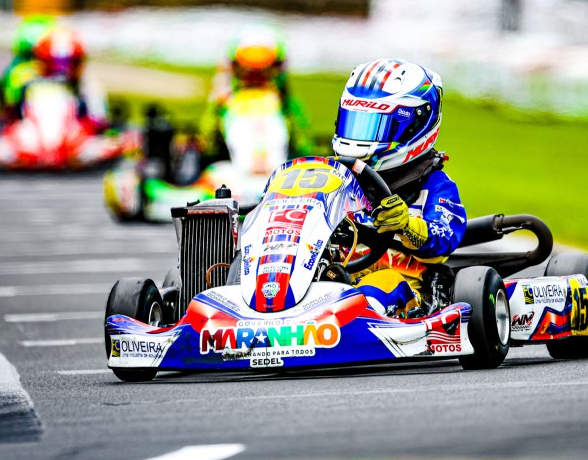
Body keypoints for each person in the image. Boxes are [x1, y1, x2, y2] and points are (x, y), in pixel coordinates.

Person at [331, 58, 467, 317]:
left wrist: (406, 226)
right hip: (337, 281)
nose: (358, 136)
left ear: (414, 126)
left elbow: (443, 241)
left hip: (404, 292)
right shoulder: (336, 179)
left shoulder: (435, 185)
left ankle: (352, 318)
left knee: (382, 284)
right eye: (354, 122)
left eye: (373, 127)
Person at [198, 24, 312, 160]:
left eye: (263, 71)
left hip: (281, 168)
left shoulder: (286, 104)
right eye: (249, 71)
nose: (255, 77)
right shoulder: (225, 101)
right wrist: (218, 102)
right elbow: (208, 145)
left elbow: (303, 147)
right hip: (232, 168)